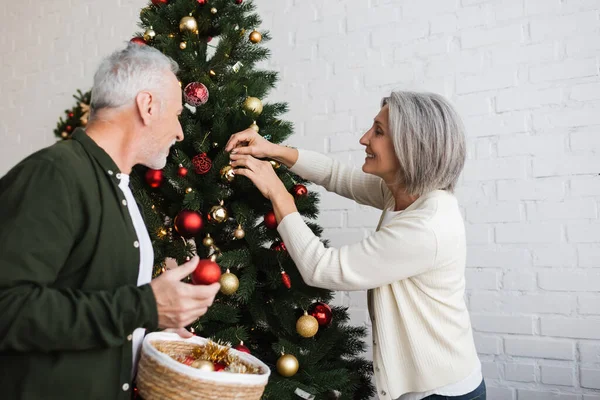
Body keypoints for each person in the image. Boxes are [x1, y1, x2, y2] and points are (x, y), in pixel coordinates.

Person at [225, 91, 486, 400]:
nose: (364, 139)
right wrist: (273, 150)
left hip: (439, 392)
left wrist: (277, 193)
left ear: (410, 147)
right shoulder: (404, 192)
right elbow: (338, 175)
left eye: (378, 131)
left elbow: (322, 269)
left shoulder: (427, 227)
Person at [0, 43, 220, 400]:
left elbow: (97, 302)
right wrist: (145, 307)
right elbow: (7, 306)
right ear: (147, 106)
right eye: (177, 114)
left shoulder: (119, 185)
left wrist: (154, 326)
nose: (180, 132)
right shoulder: (54, 174)